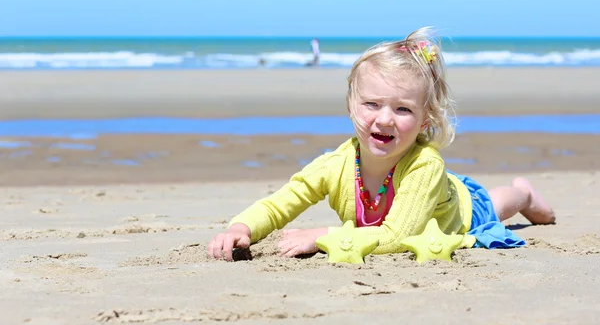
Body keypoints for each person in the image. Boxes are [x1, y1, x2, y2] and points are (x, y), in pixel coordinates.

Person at [207, 27, 555, 261]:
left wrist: (321, 236)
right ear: (350, 106)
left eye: (403, 109)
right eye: (372, 104)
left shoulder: (425, 165)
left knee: (497, 203)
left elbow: (395, 236)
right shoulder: (335, 164)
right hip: (432, 193)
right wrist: (242, 228)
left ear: (426, 119)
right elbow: (281, 203)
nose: (384, 119)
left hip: (461, 209)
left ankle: (525, 193)